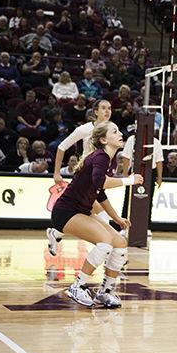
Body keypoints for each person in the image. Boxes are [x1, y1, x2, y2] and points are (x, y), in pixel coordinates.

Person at [50, 121, 142, 307]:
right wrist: (129, 180)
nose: (120, 133)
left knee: (120, 243)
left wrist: (116, 218)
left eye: (118, 130)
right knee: (105, 243)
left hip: (80, 211)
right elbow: (100, 182)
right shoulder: (101, 157)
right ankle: (78, 286)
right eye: (114, 132)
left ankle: (105, 292)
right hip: (66, 212)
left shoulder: (105, 159)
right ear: (103, 139)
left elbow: (99, 192)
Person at [50, 100, 114, 248]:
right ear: (95, 112)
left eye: (109, 108)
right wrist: (56, 173)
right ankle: (108, 248)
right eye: (103, 108)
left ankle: (56, 233)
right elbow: (61, 147)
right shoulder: (84, 129)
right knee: (102, 215)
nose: (107, 111)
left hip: (98, 175)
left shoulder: (111, 130)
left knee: (83, 211)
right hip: (85, 176)